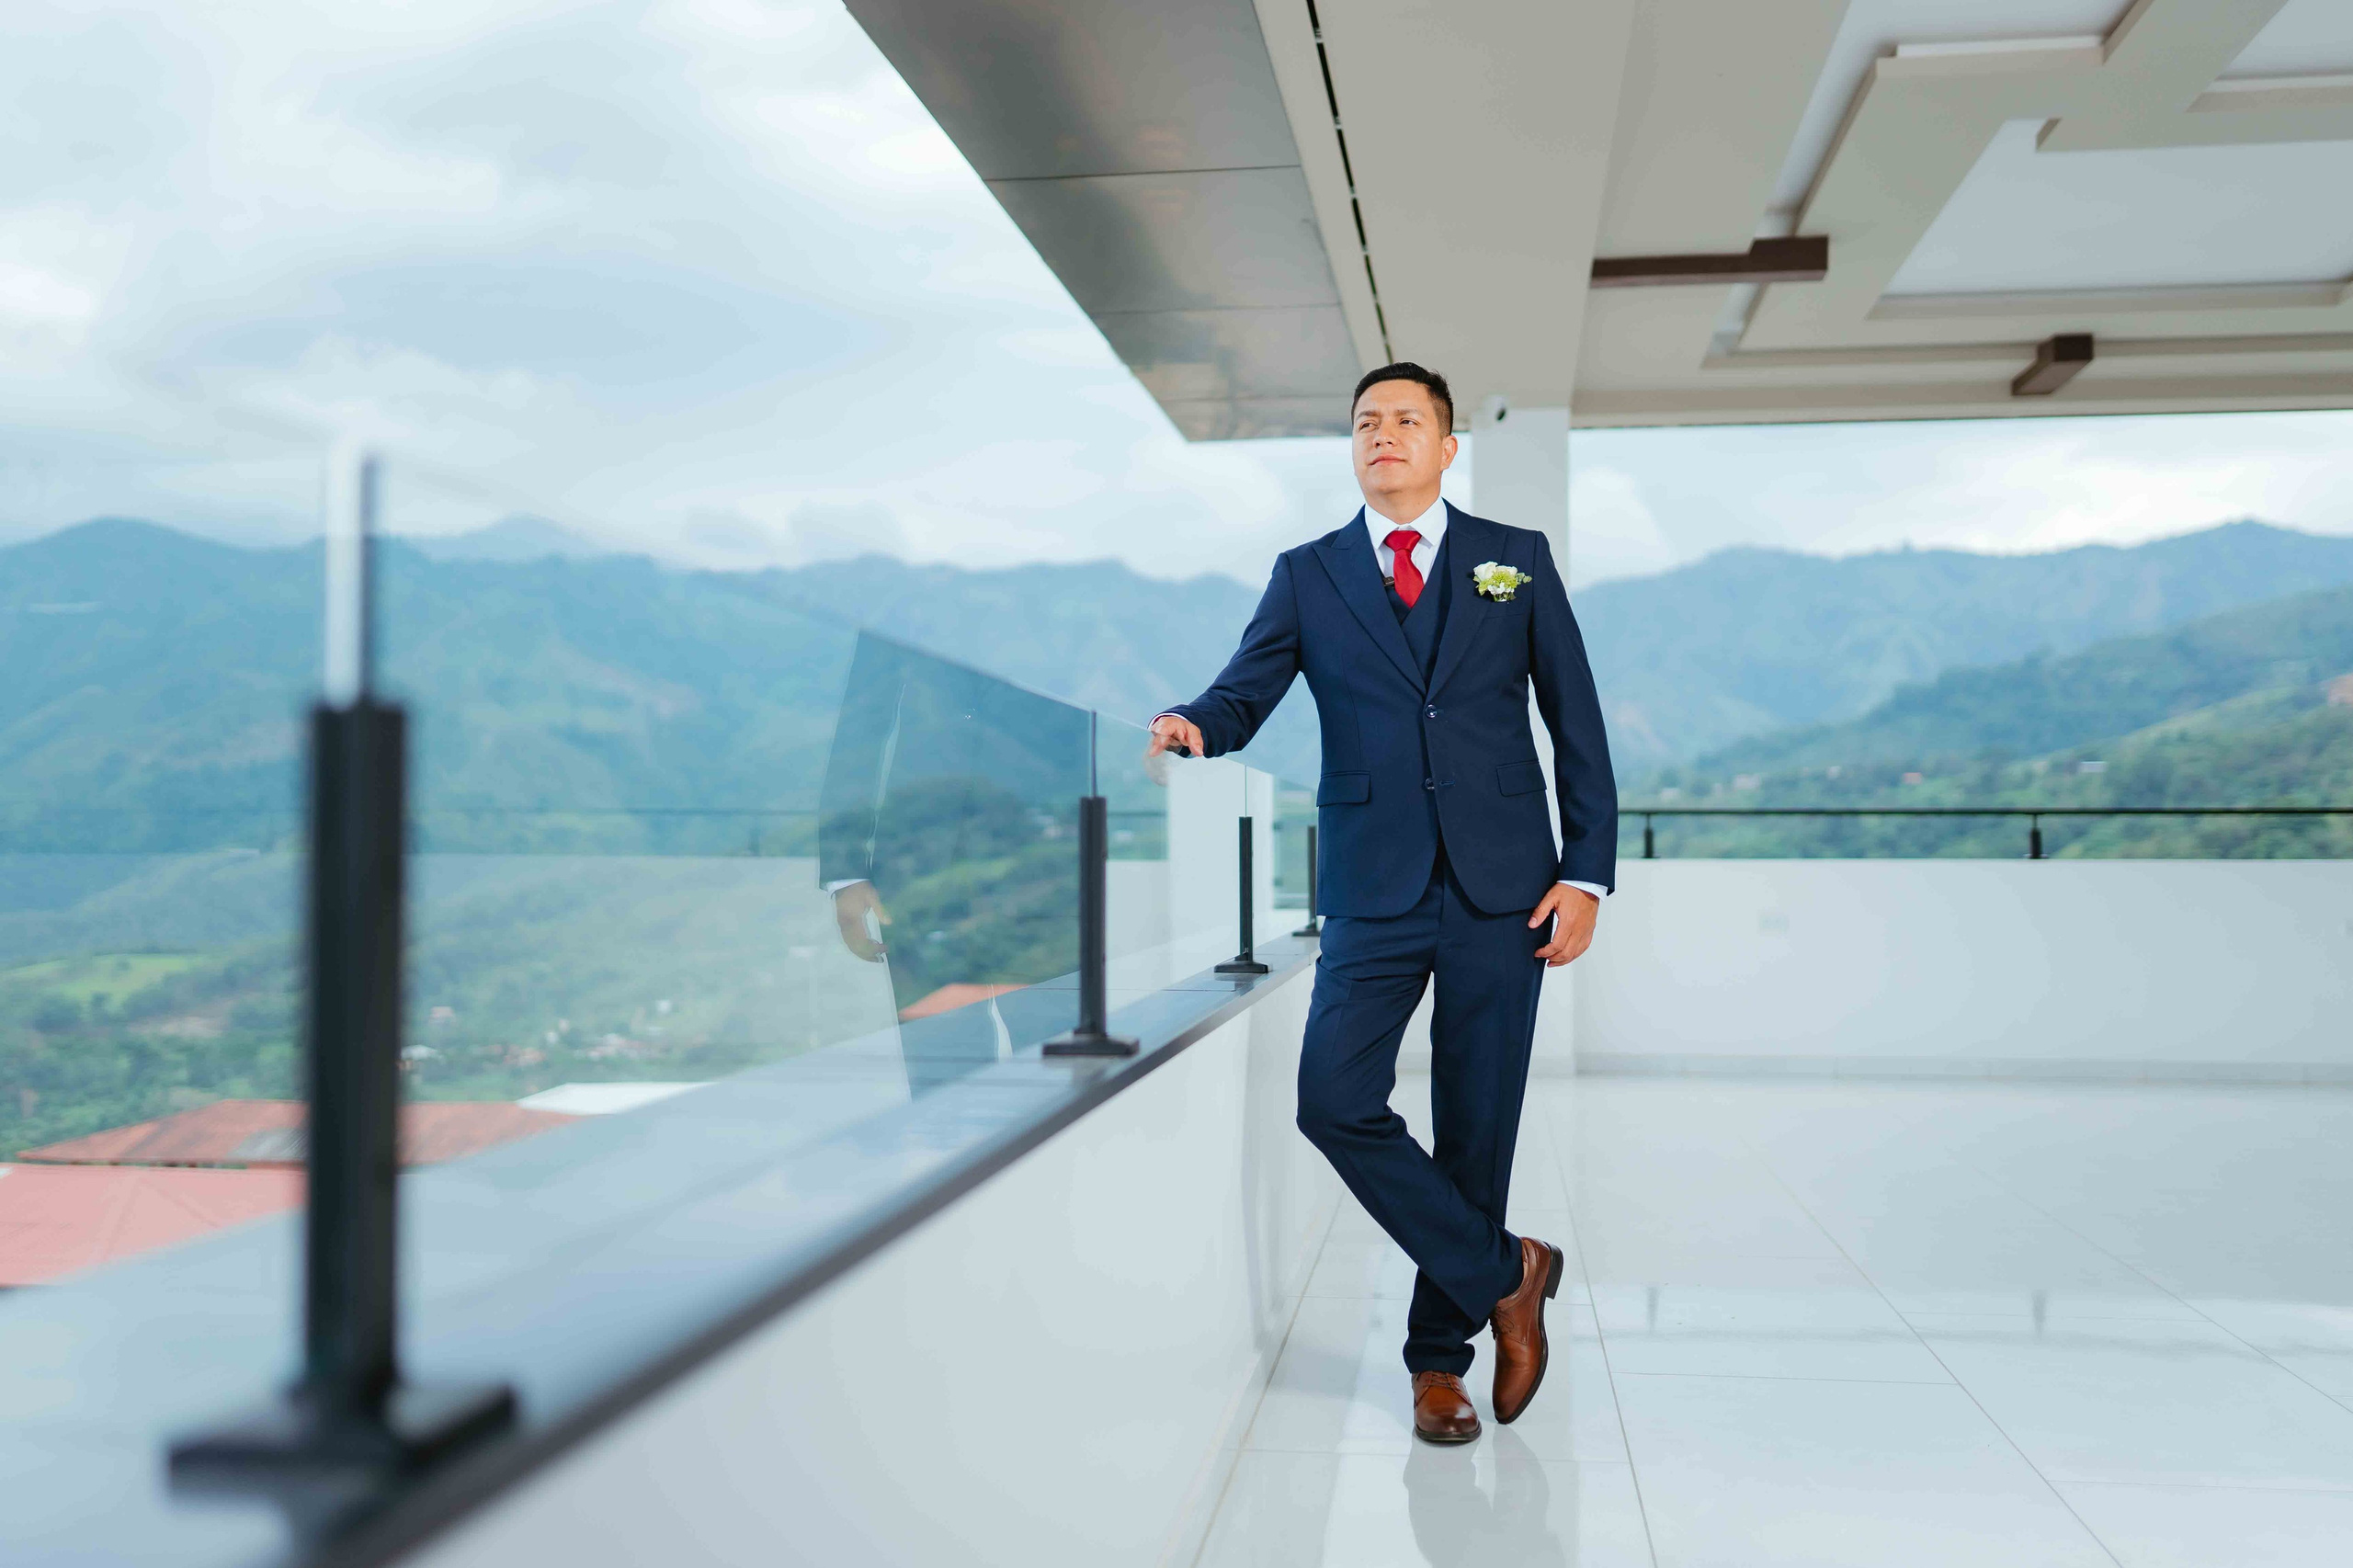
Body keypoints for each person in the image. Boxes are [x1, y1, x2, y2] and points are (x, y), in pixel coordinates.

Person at [1149, 362, 1615, 1445]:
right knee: (1332, 1098)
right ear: (1352, 448)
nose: (1384, 434)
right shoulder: (1307, 573)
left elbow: (1575, 720)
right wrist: (1195, 723)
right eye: (1367, 422)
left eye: (1408, 420)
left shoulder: (1514, 559)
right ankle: (1511, 1270)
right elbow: (1244, 689)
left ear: (1446, 446)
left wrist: (1584, 871)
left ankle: (1436, 1367)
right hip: (1374, 880)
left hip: (1508, 884)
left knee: (1476, 1124)